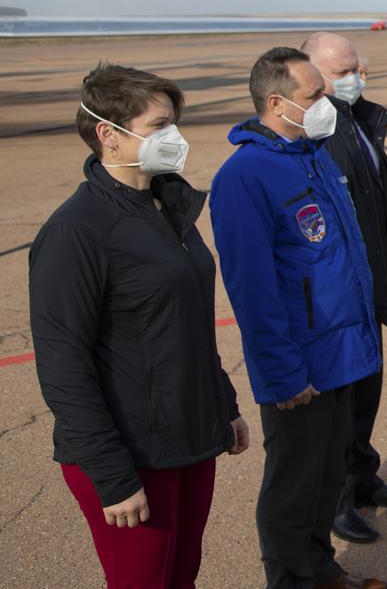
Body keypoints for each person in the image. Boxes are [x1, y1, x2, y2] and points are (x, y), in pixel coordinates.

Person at [29, 62, 250, 589]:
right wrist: (110, 474)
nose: (173, 136)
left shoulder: (166, 207)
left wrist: (223, 405)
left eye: (173, 122)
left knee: (182, 575)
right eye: (158, 126)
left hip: (189, 434)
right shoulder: (75, 231)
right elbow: (63, 366)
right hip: (128, 450)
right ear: (109, 135)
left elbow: (186, 324)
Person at [210, 47, 387, 589]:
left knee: (326, 474)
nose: (326, 101)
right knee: (293, 484)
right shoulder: (246, 176)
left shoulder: (311, 154)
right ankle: (292, 579)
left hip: (339, 352)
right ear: (276, 102)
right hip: (300, 364)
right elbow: (254, 290)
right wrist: (283, 372)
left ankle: (321, 569)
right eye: (314, 95)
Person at [300, 32, 387, 545]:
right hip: (336, 298)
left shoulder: (357, 120)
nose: (356, 79)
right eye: (342, 72)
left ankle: (363, 479)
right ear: (310, 78)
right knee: (339, 403)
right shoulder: (315, 134)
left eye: (358, 67)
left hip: (369, 287)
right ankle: (335, 501)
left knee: (366, 392)